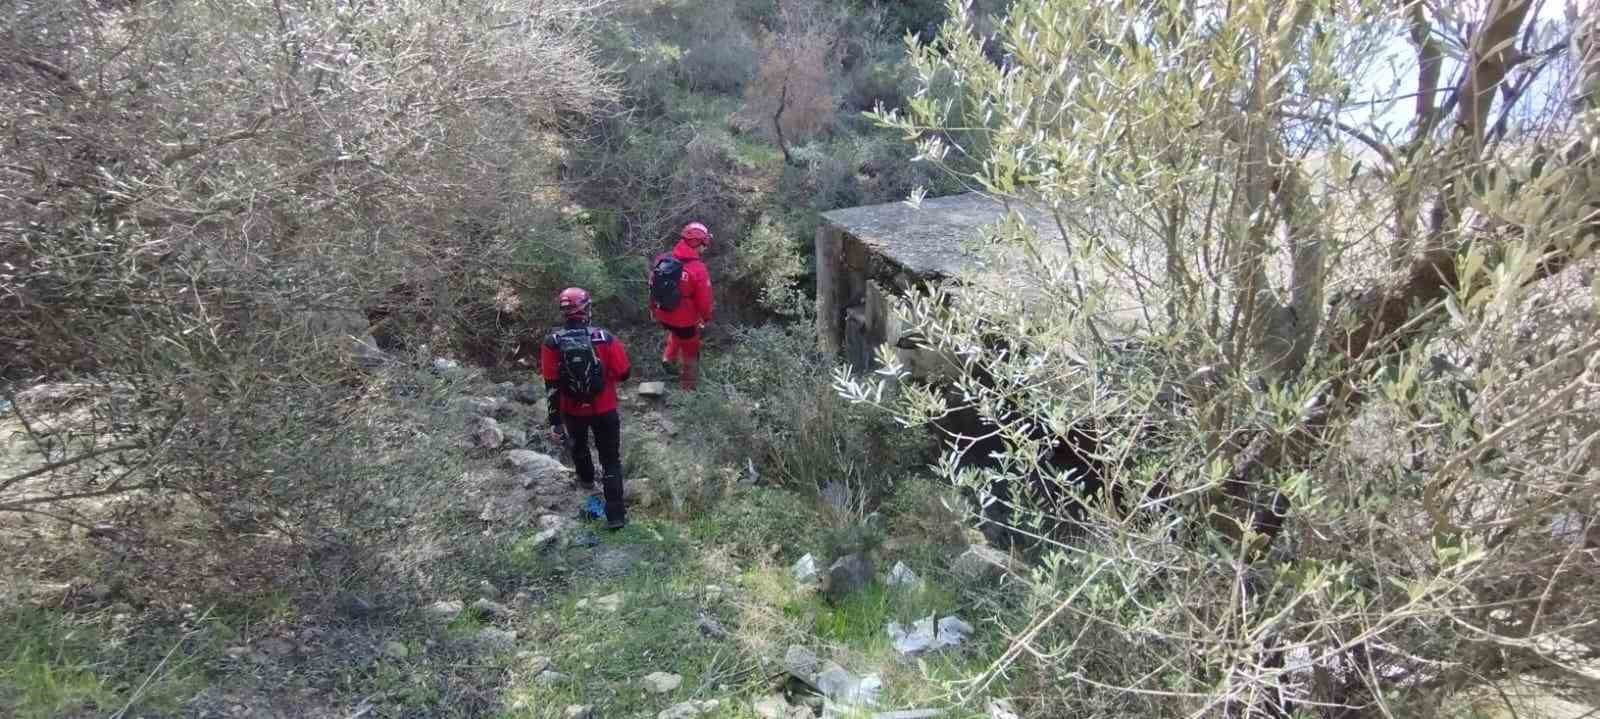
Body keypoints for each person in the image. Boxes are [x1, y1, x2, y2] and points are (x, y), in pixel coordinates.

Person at [541, 287, 632, 530]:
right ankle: (616, 516)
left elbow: (551, 384)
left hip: (572, 411)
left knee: (580, 448)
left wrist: (555, 421)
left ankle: (587, 482)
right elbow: (624, 373)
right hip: (605, 408)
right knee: (611, 459)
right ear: (586, 309)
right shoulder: (604, 337)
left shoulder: (552, 342)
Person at [648, 221, 715, 390]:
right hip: (684, 320)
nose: (706, 247)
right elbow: (704, 301)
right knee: (691, 352)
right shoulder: (698, 269)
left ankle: (668, 358)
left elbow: (652, 286)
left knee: (676, 332)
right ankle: (688, 389)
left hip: (662, 312)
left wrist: (652, 309)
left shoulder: (663, 258)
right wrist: (705, 318)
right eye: (705, 243)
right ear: (699, 244)